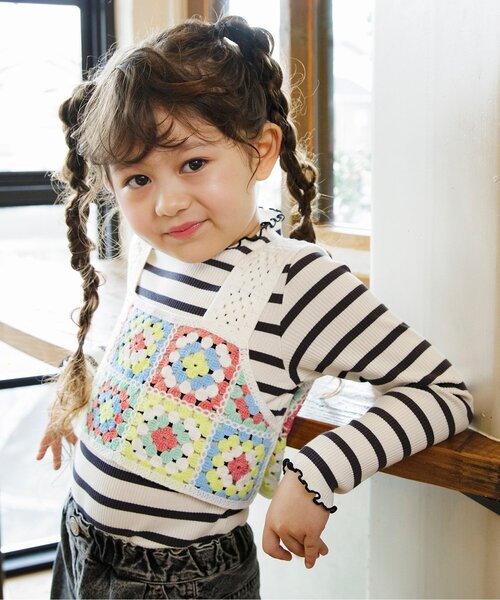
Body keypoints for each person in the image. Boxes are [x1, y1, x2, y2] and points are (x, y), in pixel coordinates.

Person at [36, 14, 473, 600]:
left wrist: (315, 474)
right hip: (79, 543)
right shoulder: (156, 256)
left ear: (261, 150)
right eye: (137, 178)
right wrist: (81, 403)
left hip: (182, 581)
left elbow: (442, 394)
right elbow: (143, 365)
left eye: (193, 164)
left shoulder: (296, 281)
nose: (167, 203)